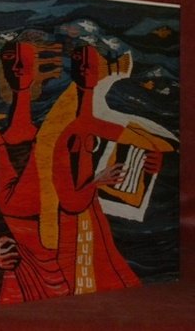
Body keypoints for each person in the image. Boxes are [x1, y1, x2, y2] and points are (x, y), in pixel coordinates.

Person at [52, 45, 171, 294]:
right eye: (79, 62)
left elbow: (155, 146)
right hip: (76, 227)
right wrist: (97, 181)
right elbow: (70, 202)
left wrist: (155, 161)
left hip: (95, 220)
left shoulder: (96, 124)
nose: (85, 67)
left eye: (90, 63)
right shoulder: (70, 132)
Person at [0, 41, 69, 305]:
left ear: (37, 68)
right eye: (10, 60)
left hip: (44, 258)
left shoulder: (45, 140)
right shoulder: (30, 142)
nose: (17, 67)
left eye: (24, 61)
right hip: (14, 262)